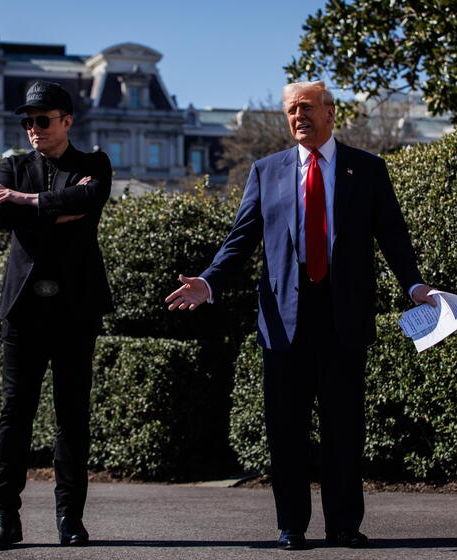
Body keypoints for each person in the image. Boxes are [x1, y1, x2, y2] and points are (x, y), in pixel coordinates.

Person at [165, 81, 436, 550]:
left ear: (331, 113)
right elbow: (241, 239)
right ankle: (291, 525)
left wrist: (414, 285)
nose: (298, 117)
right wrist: (208, 282)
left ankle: (344, 525)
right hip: (283, 321)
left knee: (344, 428)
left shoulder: (367, 169)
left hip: (343, 318)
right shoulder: (266, 171)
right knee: (285, 429)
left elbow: (392, 235)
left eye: (307, 107)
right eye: (291, 110)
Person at [0, 80, 113, 550]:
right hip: (24, 309)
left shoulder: (93, 163)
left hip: (77, 306)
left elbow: (90, 199)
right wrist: (50, 208)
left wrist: (26, 202)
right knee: (14, 414)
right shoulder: (12, 164)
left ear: (66, 121)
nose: (33, 128)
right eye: (28, 122)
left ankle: (69, 519)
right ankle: (3, 518)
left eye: (42, 120)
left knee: (72, 416)